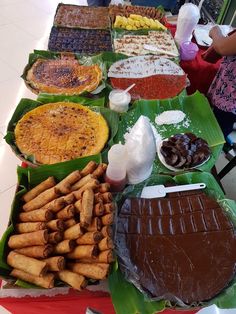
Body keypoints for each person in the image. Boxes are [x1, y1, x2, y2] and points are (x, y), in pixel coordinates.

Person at [207, 25, 236, 138]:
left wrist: (215, 31)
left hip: (231, 97)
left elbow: (222, 47)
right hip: (229, 89)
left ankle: (212, 144)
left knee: (220, 126)